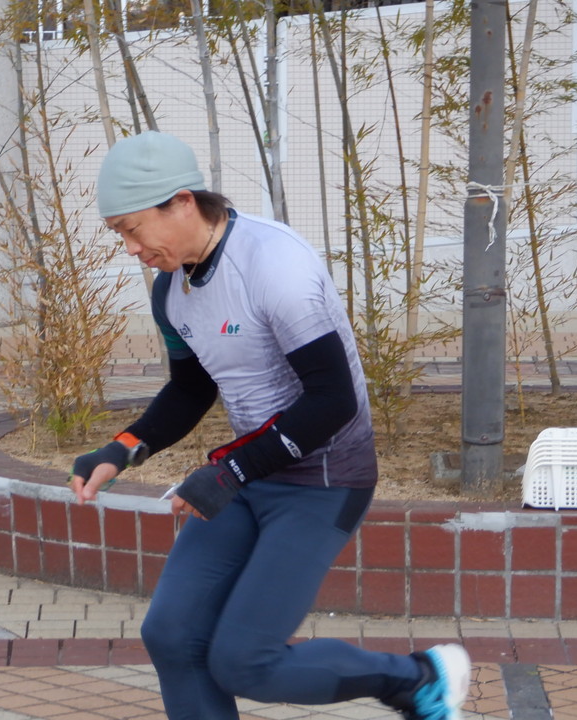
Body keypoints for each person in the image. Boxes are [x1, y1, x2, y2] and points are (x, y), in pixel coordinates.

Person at [70, 131, 471, 720]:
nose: (131, 248)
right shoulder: (171, 290)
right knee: (172, 635)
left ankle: (416, 678)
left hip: (325, 480)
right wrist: (121, 448)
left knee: (245, 661)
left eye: (133, 229)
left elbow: (332, 400)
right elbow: (191, 388)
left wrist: (229, 470)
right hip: (252, 472)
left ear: (182, 202)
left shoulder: (274, 263)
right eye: (119, 235)